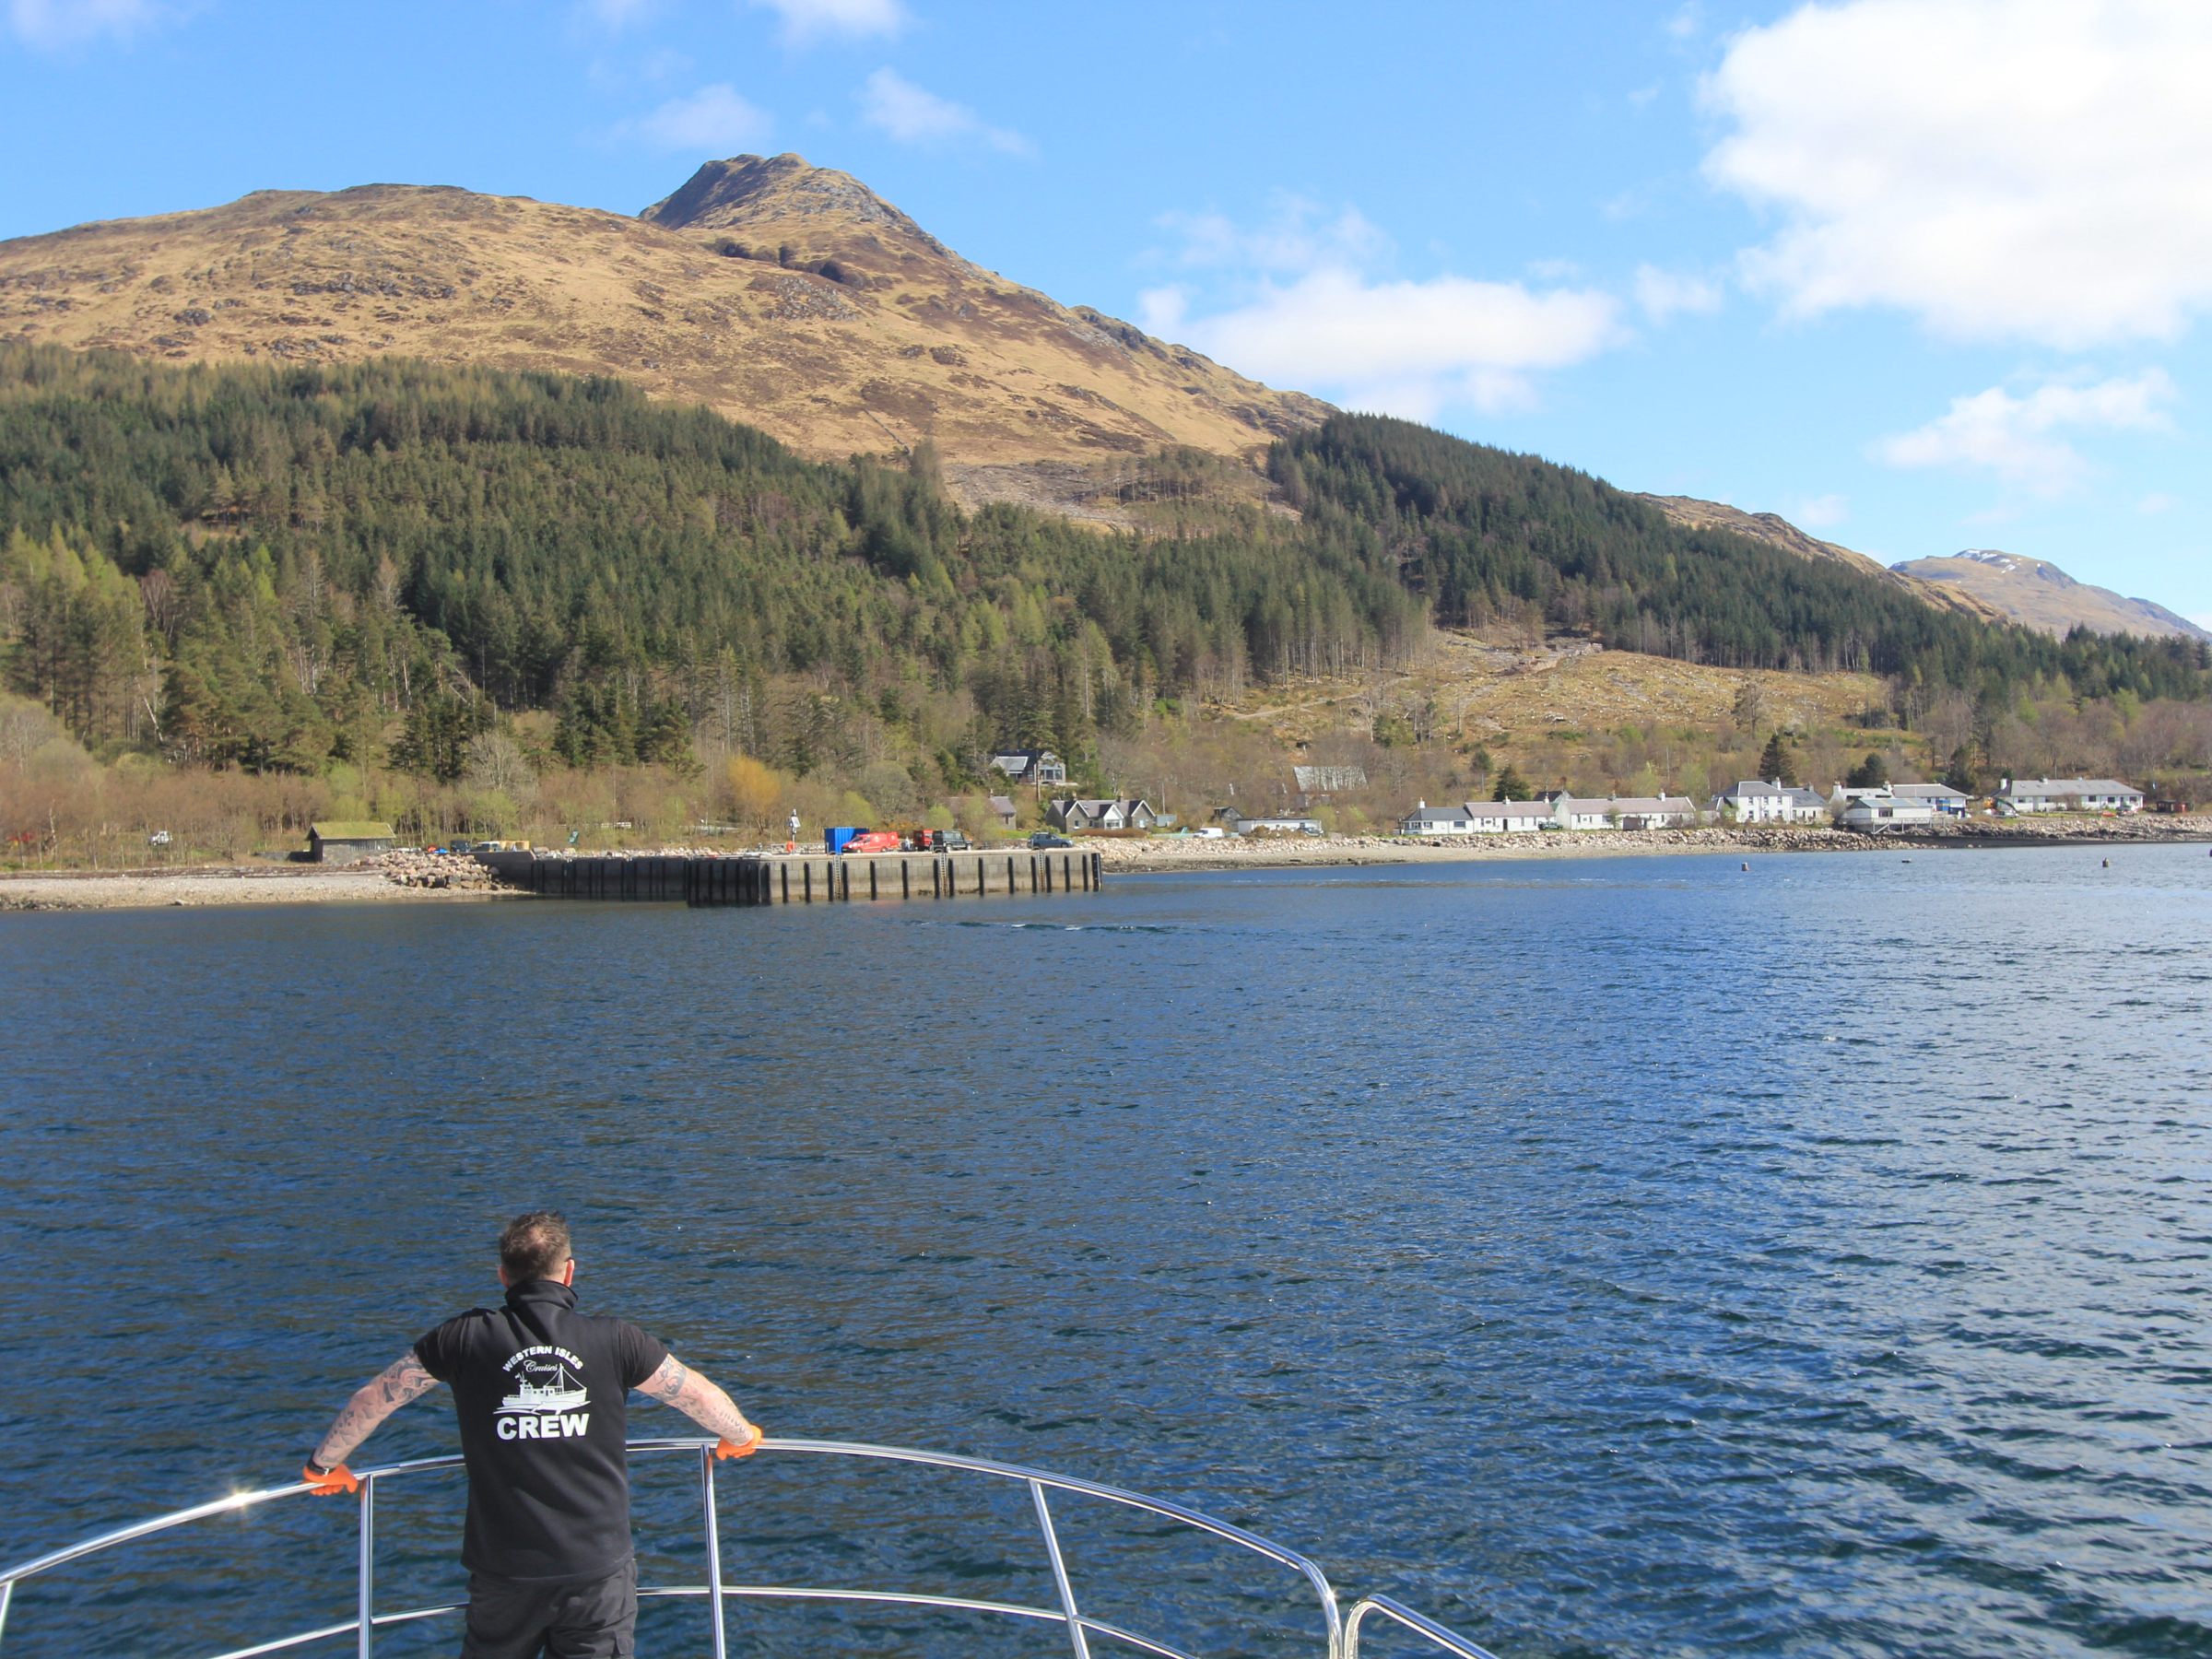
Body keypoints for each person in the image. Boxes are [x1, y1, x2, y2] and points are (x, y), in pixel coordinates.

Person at [301, 1211, 763, 1658]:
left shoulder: (463, 1338)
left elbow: (374, 1398)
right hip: (596, 1572)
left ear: (503, 1276)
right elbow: (697, 1396)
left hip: (504, 1571)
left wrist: (322, 1465)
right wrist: (741, 1436)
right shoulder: (617, 1340)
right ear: (569, 1272)